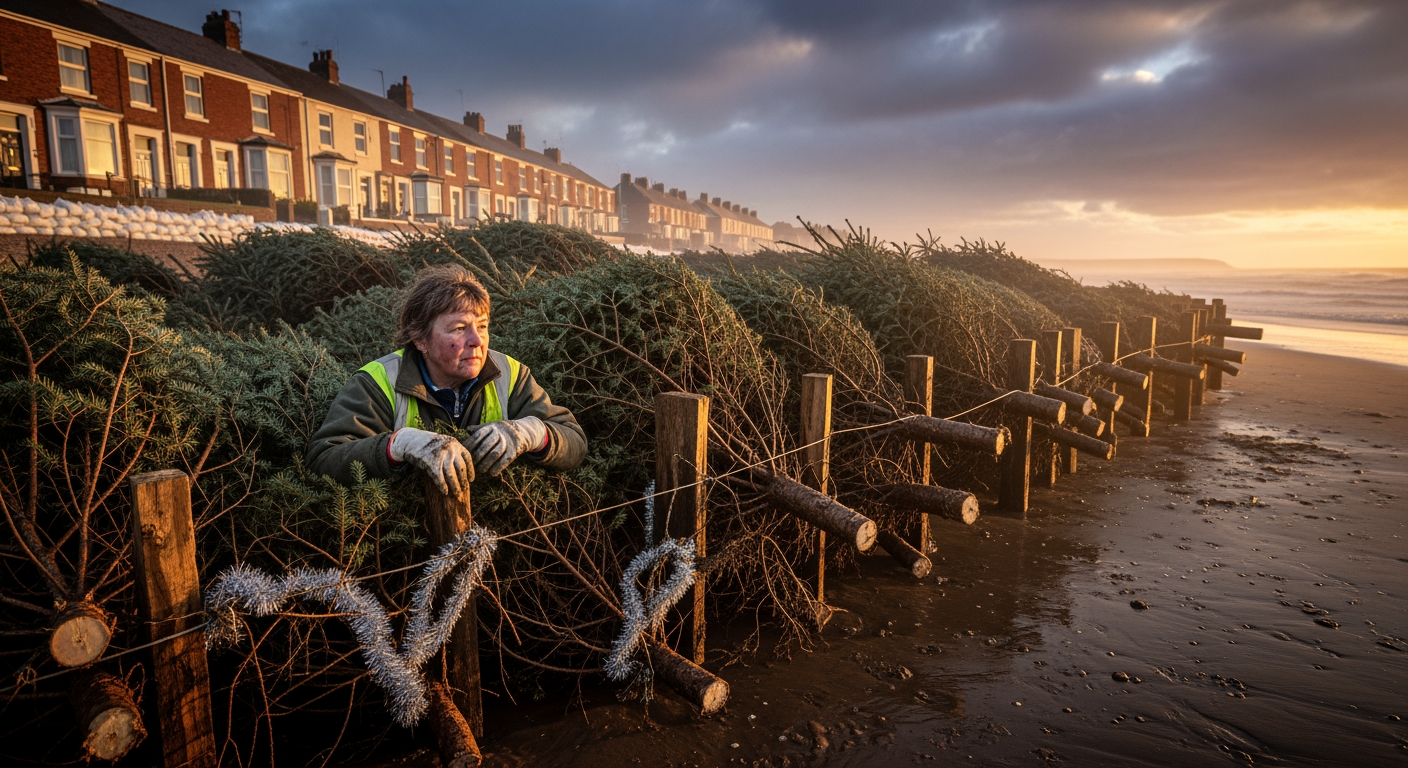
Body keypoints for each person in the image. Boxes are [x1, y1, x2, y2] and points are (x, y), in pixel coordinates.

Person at [306, 264, 586, 495]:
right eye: (459, 328)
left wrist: (533, 433)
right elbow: (323, 460)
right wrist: (397, 445)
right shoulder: (377, 382)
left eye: (482, 326)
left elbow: (575, 443)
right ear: (420, 339)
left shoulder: (511, 374)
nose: (477, 341)